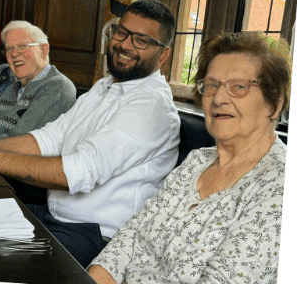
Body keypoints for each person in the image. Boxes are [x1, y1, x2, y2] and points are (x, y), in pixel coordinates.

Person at [0, 0, 180, 268]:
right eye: (122, 33)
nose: (124, 44)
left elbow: (74, 173)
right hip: (52, 216)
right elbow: (47, 138)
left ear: (162, 55)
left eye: (141, 41)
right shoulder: (104, 87)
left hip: (96, 236)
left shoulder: (151, 105)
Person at [89, 31, 289, 284]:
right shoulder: (197, 161)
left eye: (239, 87)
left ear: (276, 102)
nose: (218, 98)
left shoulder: (281, 183)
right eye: (212, 85)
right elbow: (128, 240)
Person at [0, 20, 76, 140]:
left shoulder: (57, 86)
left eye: (23, 46)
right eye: (9, 49)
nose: (14, 54)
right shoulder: (14, 88)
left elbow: (21, 140)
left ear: (43, 50)